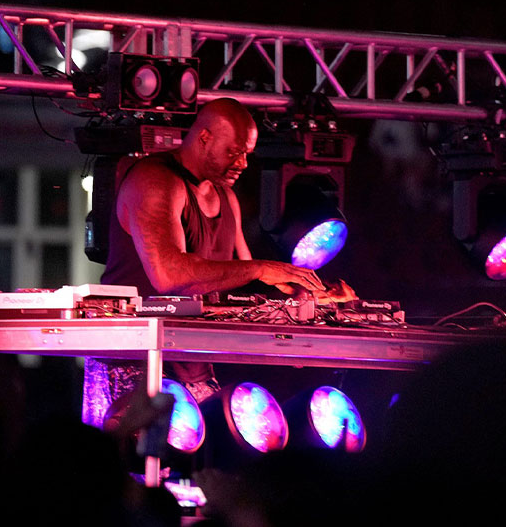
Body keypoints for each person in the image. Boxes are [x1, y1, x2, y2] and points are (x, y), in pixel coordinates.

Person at [83, 98, 340, 429]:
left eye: (247, 153)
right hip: (135, 362)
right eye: (234, 151)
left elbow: (246, 283)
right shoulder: (155, 180)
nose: (244, 163)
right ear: (203, 137)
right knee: (134, 473)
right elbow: (169, 275)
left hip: (194, 362)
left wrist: (311, 297)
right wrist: (262, 269)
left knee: (205, 471)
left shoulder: (226, 197)